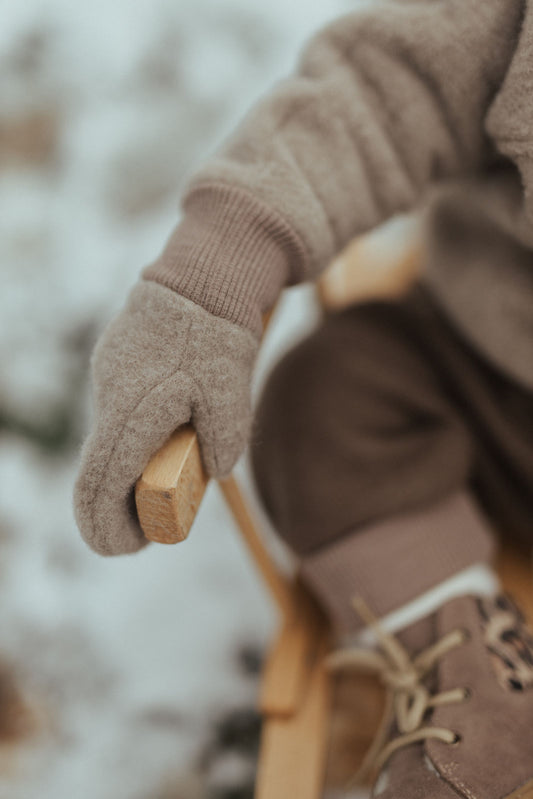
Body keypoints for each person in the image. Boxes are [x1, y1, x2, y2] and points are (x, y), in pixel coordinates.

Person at [74, 1, 533, 794]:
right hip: (488, 373)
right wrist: (212, 278)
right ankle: (470, 656)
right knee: (321, 398)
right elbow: (383, 93)